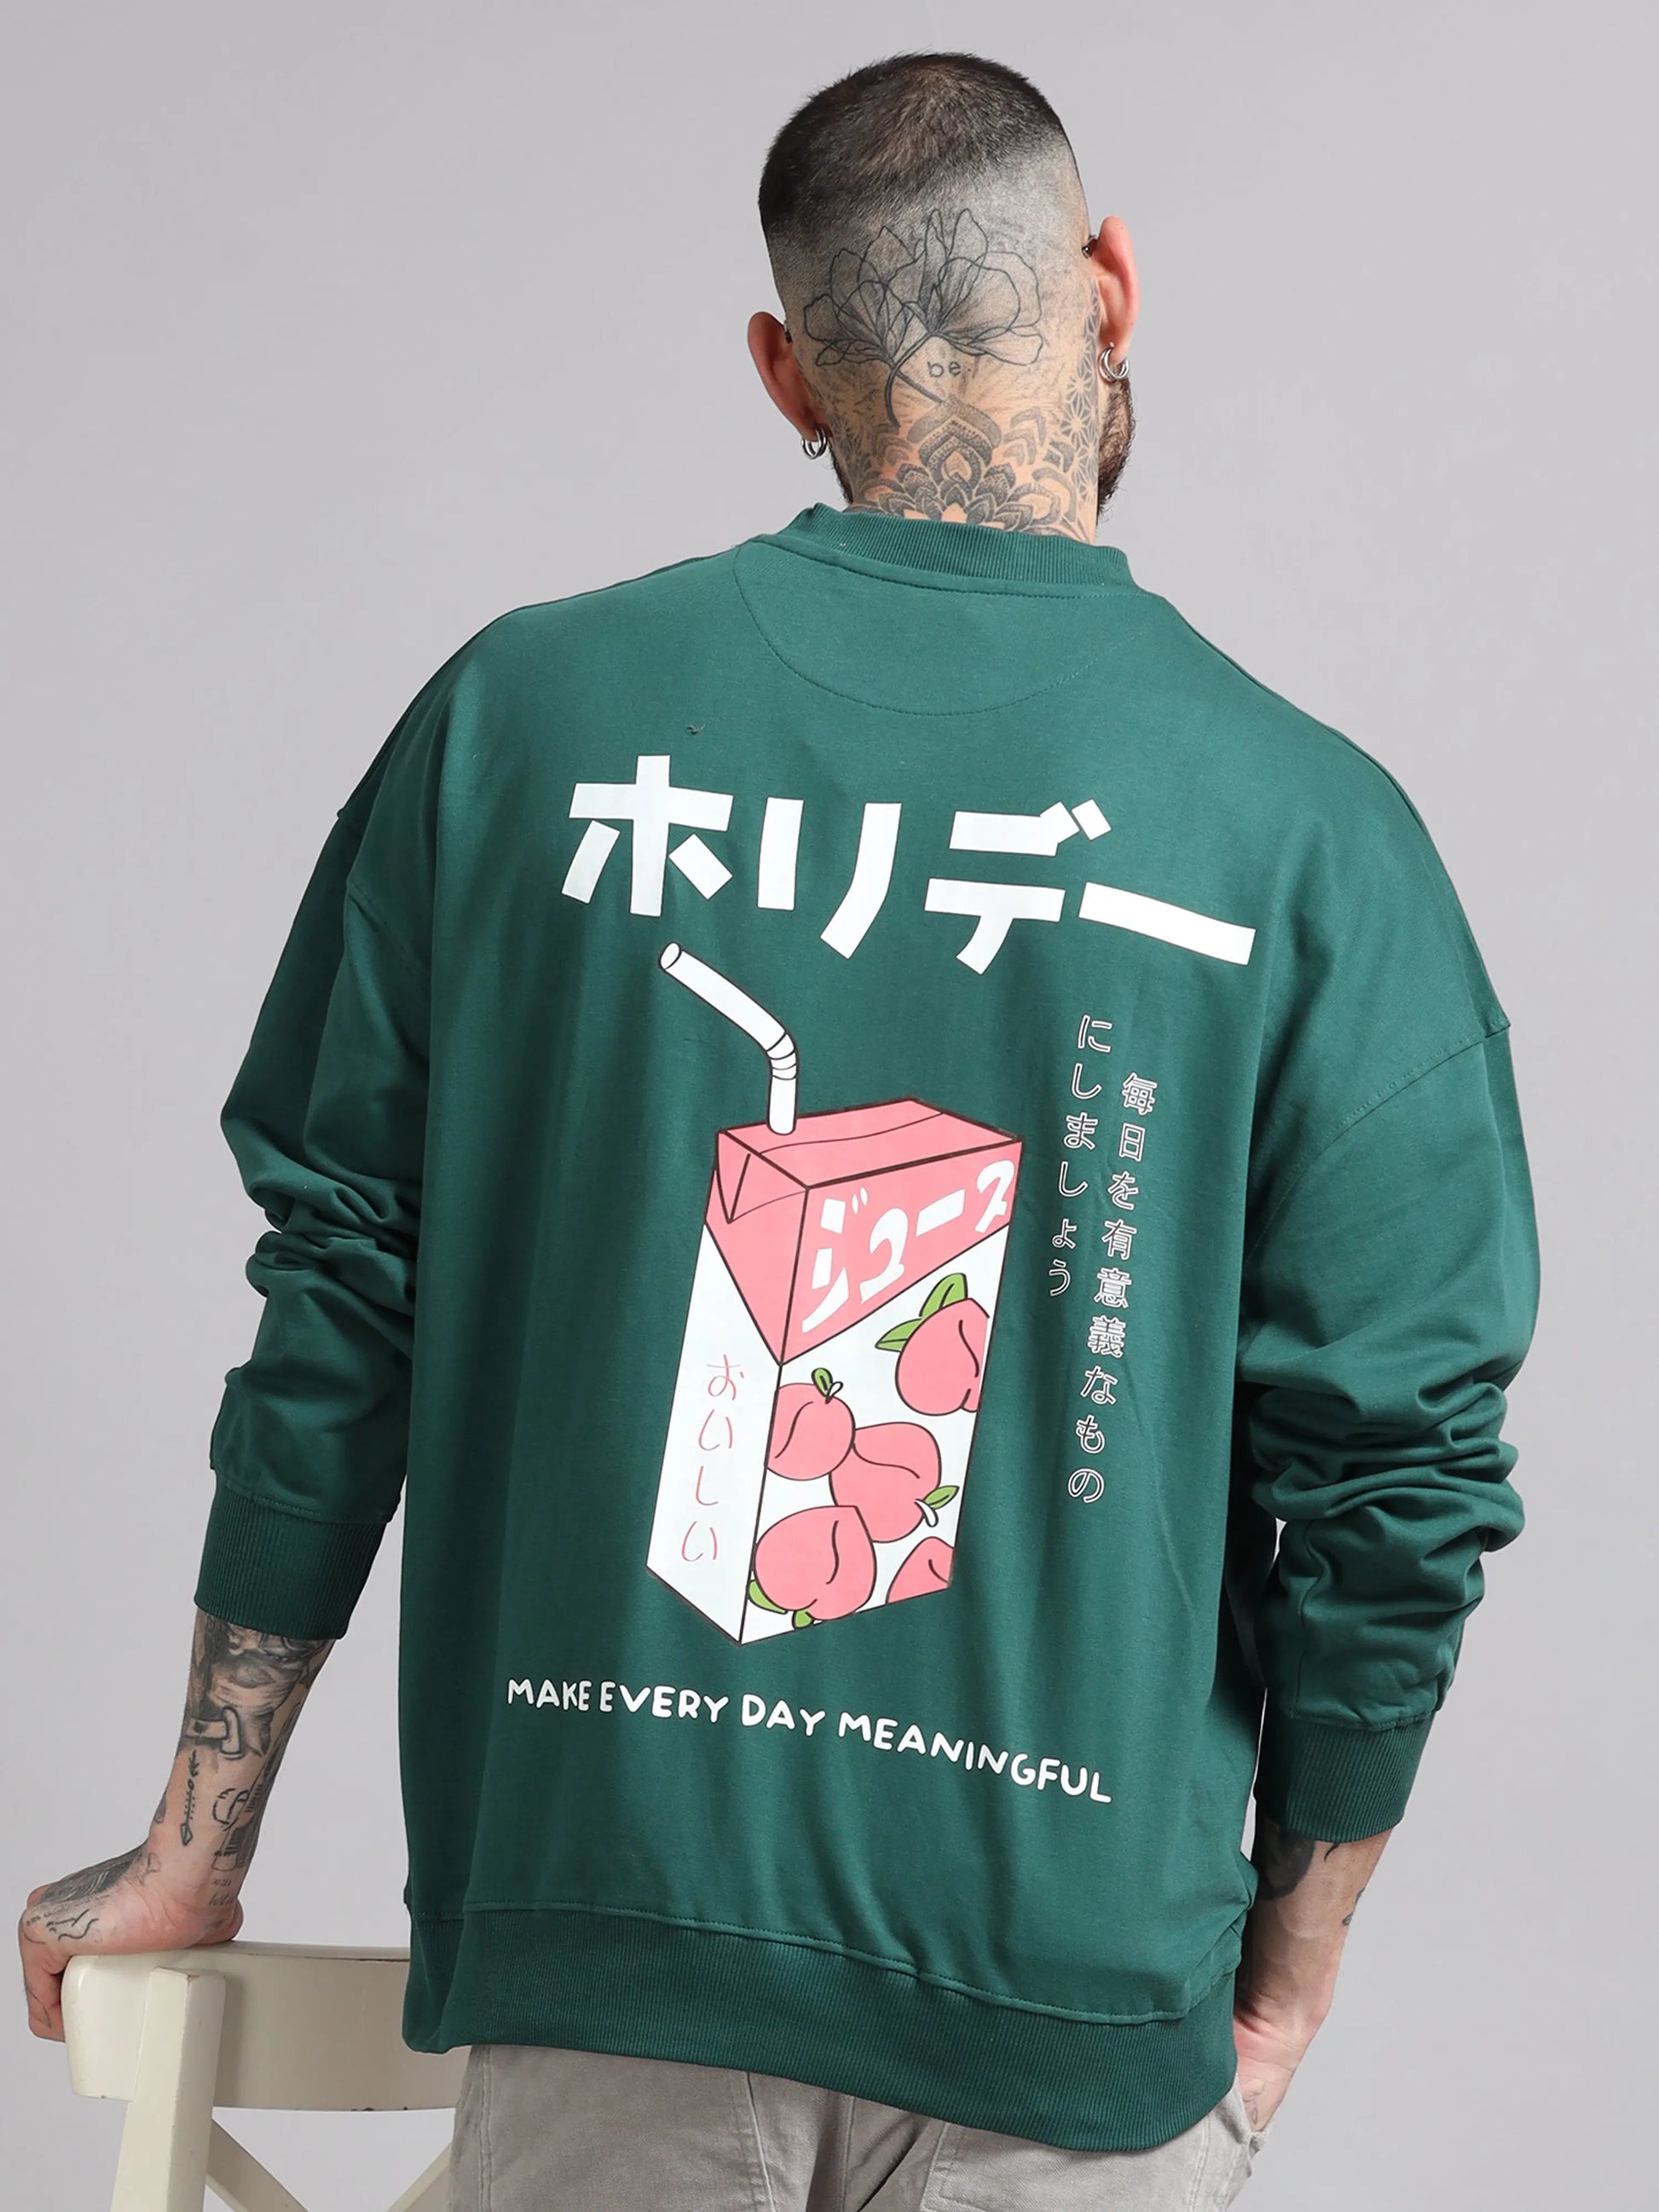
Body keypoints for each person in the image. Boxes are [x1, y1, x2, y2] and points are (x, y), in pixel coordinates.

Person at [20, 49, 1538, 2212]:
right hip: (1070, 1996)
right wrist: (1282, 1983)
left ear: (780, 370)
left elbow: (345, 1291)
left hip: (615, 1917)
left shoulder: (524, 717)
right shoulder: (1311, 832)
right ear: (1113, 284)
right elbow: (1398, 1474)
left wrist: (198, 1842)